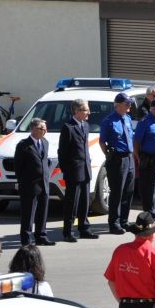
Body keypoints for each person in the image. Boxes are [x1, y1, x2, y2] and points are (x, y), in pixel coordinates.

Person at [58, 99, 98, 242]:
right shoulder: (68, 127)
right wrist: (67, 170)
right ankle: (68, 231)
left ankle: (84, 228)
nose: (89, 113)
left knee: (84, 202)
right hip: (73, 172)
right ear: (77, 111)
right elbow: (62, 152)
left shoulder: (85, 125)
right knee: (72, 203)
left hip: (85, 169)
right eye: (86, 110)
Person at [14, 118, 55, 246]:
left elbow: (45, 161)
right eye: (41, 128)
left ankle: (41, 236)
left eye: (45, 129)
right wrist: (23, 182)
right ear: (33, 129)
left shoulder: (45, 142)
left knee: (43, 211)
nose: (45, 131)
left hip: (44, 183)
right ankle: (26, 239)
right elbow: (18, 166)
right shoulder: (23, 145)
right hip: (30, 185)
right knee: (28, 214)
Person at [99, 92, 135, 235]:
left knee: (128, 191)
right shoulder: (109, 121)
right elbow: (102, 142)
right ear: (118, 105)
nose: (130, 106)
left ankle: (124, 221)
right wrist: (108, 155)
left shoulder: (128, 118)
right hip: (117, 159)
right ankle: (114, 223)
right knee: (117, 192)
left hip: (129, 157)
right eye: (127, 104)